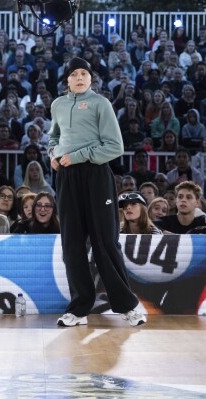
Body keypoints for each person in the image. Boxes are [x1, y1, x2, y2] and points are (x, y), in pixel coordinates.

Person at [48, 57, 146, 328]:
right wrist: (53, 154)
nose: (79, 77)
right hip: (67, 177)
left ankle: (128, 306)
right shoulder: (57, 104)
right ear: (67, 79)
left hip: (96, 174)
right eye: (74, 74)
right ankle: (79, 309)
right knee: (72, 245)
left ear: (91, 78)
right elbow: (54, 137)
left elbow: (115, 147)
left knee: (105, 242)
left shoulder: (100, 103)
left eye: (84, 73)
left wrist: (76, 156)